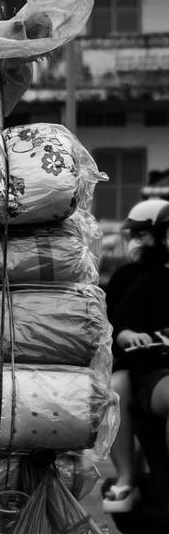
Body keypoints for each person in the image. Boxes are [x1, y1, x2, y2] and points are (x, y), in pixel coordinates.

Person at [103, 199, 169, 512]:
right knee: (116, 388)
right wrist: (129, 336)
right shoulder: (138, 279)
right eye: (134, 235)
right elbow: (116, 326)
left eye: (141, 234)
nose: (135, 242)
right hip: (142, 368)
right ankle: (126, 476)